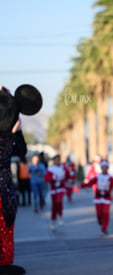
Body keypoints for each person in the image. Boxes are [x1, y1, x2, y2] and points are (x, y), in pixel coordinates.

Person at [0, 84, 42, 275]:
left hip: (6, 189)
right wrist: (12, 134)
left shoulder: (10, 137)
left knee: (6, 226)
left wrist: (16, 132)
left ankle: (4, 263)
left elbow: (21, 151)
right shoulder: (7, 139)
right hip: (4, 189)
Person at [81, 160, 113, 235]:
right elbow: (90, 183)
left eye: (106, 167)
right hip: (98, 198)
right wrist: (82, 185)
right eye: (103, 167)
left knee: (105, 213)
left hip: (107, 198)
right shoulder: (98, 177)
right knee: (99, 213)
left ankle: (104, 227)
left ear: (107, 168)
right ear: (101, 168)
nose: (104, 169)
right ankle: (99, 220)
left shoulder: (110, 178)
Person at [44, 154, 69, 230]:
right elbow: (45, 178)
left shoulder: (63, 168)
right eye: (56, 160)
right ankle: (53, 221)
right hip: (53, 189)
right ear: (54, 161)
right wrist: (52, 178)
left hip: (61, 188)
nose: (57, 161)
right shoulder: (51, 169)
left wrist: (66, 180)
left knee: (59, 201)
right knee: (54, 205)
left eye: (59, 160)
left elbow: (68, 175)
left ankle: (60, 216)